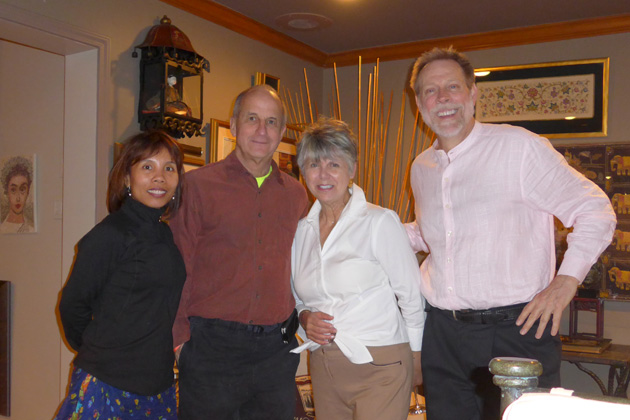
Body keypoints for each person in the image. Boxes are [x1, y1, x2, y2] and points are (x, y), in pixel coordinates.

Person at [406, 47, 616, 420]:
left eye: (452, 87)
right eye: (430, 91)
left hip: (515, 331)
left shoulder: (519, 148)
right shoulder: (421, 167)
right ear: (419, 104)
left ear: (473, 94)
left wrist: (565, 281)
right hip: (442, 333)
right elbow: (431, 235)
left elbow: (595, 210)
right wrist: (368, 229)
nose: (442, 99)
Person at [170, 85, 309, 420]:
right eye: (252, 119)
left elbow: (306, 269)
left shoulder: (297, 196)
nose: (262, 130)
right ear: (233, 126)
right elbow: (176, 266)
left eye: (272, 122)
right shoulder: (197, 186)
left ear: (281, 132)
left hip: (276, 351)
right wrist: (179, 343)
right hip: (211, 349)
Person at [291, 117, 425, 420]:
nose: (323, 175)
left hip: (381, 364)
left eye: (334, 165)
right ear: (303, 172)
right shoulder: (301, 232)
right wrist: (305, 317)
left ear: (351, 170)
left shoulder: (379, 222)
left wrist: (416, 356)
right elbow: (299, 299)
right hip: (323, 364)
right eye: (313, 165)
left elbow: (411, 295)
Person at [55, 130, 186, 420]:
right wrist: (105, 352)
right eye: (147, 167)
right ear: (127, 178)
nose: (159, 177)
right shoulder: (109, 235)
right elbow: (72, 307)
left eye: (169, 168)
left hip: (158, 385)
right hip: (107, 386)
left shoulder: (164, 234)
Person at [0, 156, 35, 234]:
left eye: (22, 189)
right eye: (13, 190)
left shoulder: (31, 230)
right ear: (6, 192)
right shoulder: (2, 229)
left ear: (28, 192)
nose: (18, 198)